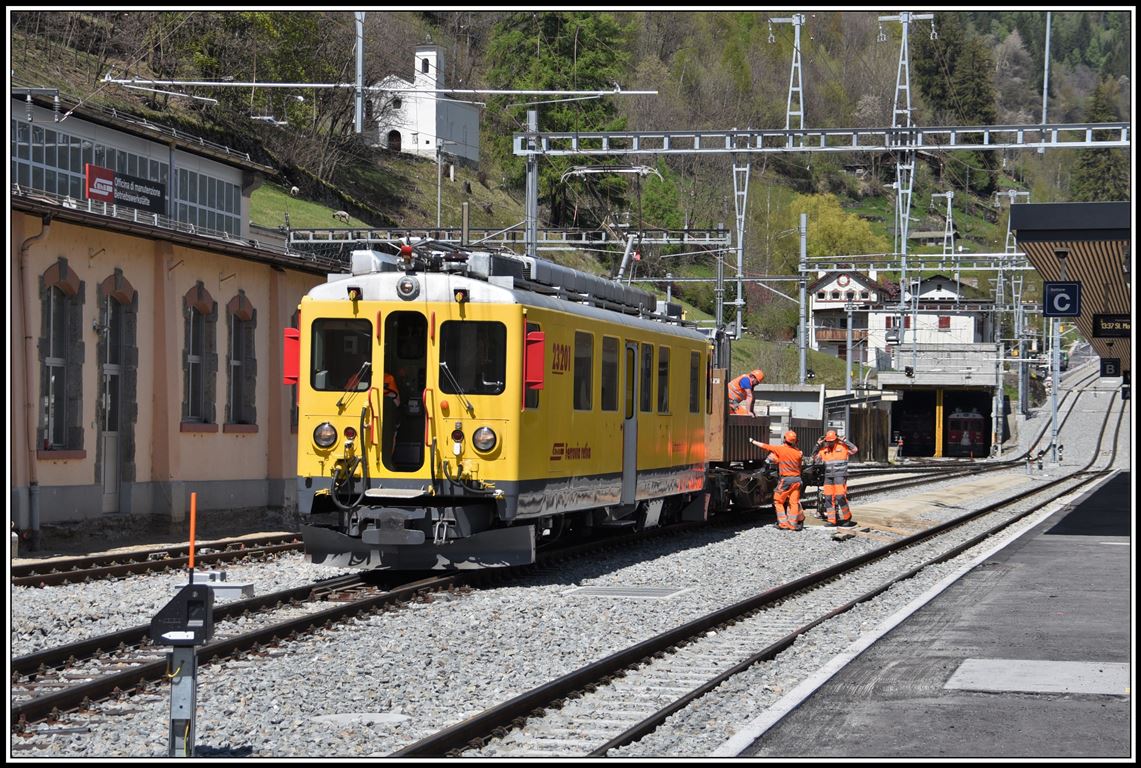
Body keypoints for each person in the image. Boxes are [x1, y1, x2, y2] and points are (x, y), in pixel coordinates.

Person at [749, 430, 804, 531]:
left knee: (778, 501)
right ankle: (793, 524)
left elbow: (765, 446)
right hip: (797, 480)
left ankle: (783, 524)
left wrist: (753, 441)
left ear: (784, 439)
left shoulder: (780, 449)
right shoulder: (798, 453)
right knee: (794, 502)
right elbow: (800, 466)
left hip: (786, 480)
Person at [813, 429, 858, 527]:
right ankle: (832, 520)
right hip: (828, 477)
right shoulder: (824, 450)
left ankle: (847, 517)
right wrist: (817, 445)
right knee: (828, 498)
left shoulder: (843, 447)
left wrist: (845, 440)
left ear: (836, 439)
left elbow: (854, 449)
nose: (830, 443)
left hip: (840, 476)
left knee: (840, 496)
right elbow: (815, 458)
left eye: (832, 441)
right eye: (828, 441)